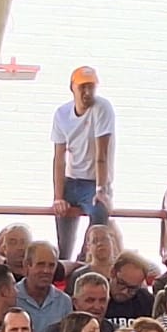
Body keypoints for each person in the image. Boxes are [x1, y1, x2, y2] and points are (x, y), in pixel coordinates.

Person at [51, 66, 114, 261]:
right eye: (83, 87)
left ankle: (83, 259)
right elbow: (59, 158)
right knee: (64, 237)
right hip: (71, 179)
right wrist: (58, 197)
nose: (88, 92)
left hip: (94, 181)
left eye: (91, 87)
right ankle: (64, 265)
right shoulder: (62, 114)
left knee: (99, 213)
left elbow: (101, 155)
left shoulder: (102, 108)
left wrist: (102, 189)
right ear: (73, 88)